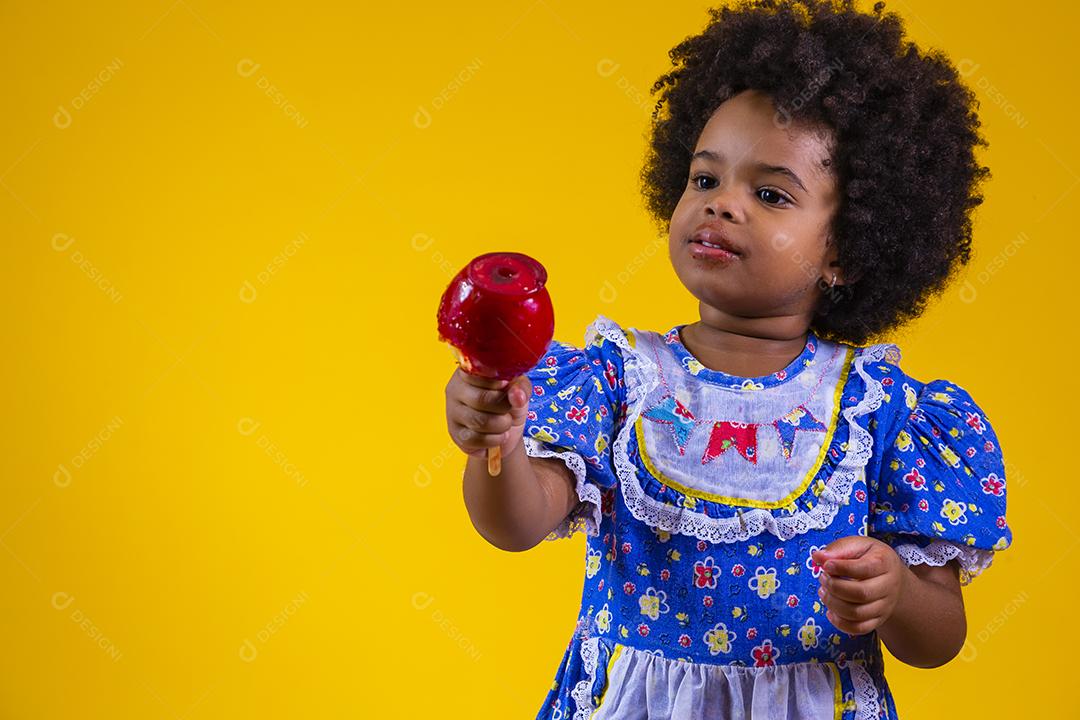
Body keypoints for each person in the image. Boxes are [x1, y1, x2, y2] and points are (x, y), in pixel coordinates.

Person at [444, 1, 1011, 717]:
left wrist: (894, 590)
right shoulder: (618, 381)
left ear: (845, 251)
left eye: (770, 193)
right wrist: (496, 443)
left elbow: (939, 639)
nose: (722, 205)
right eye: (705, 180)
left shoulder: (880, 412)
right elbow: (515, 525)